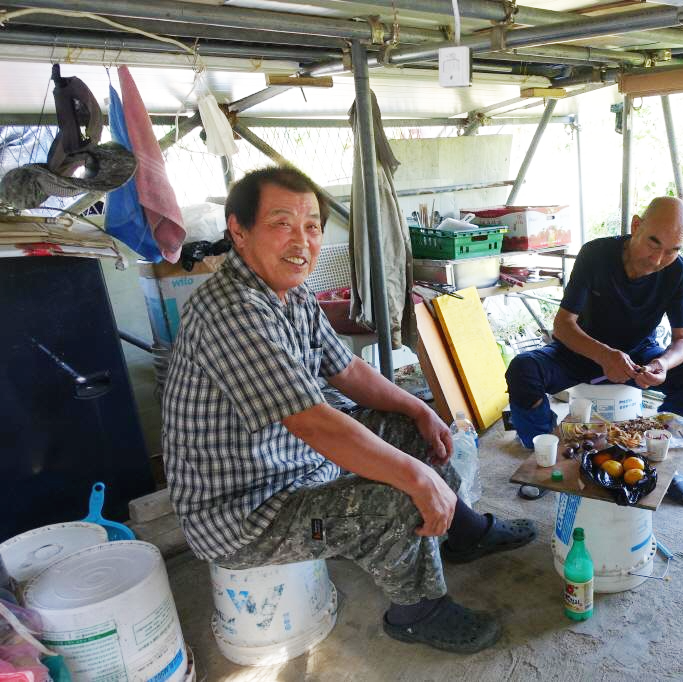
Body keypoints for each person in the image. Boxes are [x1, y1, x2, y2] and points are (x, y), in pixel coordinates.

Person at [162, 167, 536, 654]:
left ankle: (463, 533)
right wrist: (418, 480)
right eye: (281, 223)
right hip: (246, 513)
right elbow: (314, 423)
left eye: (312, 226)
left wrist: (419, 411)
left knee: (409, 430)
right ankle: (417, 612)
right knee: (397, 497)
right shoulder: (230, 310)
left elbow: (347, 370)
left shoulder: (289, 292)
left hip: (294, 462)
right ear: (239, 230)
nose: (301, 241)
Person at [505, 195, 683, 459]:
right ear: (636, 226)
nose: (658, 259)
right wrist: (604, 355)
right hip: (580, 352)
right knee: (523, 369)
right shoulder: (596, 254)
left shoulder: (678, 271)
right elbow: (563, 326)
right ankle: (546, 449)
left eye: (673, 250)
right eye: (653, 243)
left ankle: (661, 448)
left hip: (639, 357)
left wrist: (662, 364)